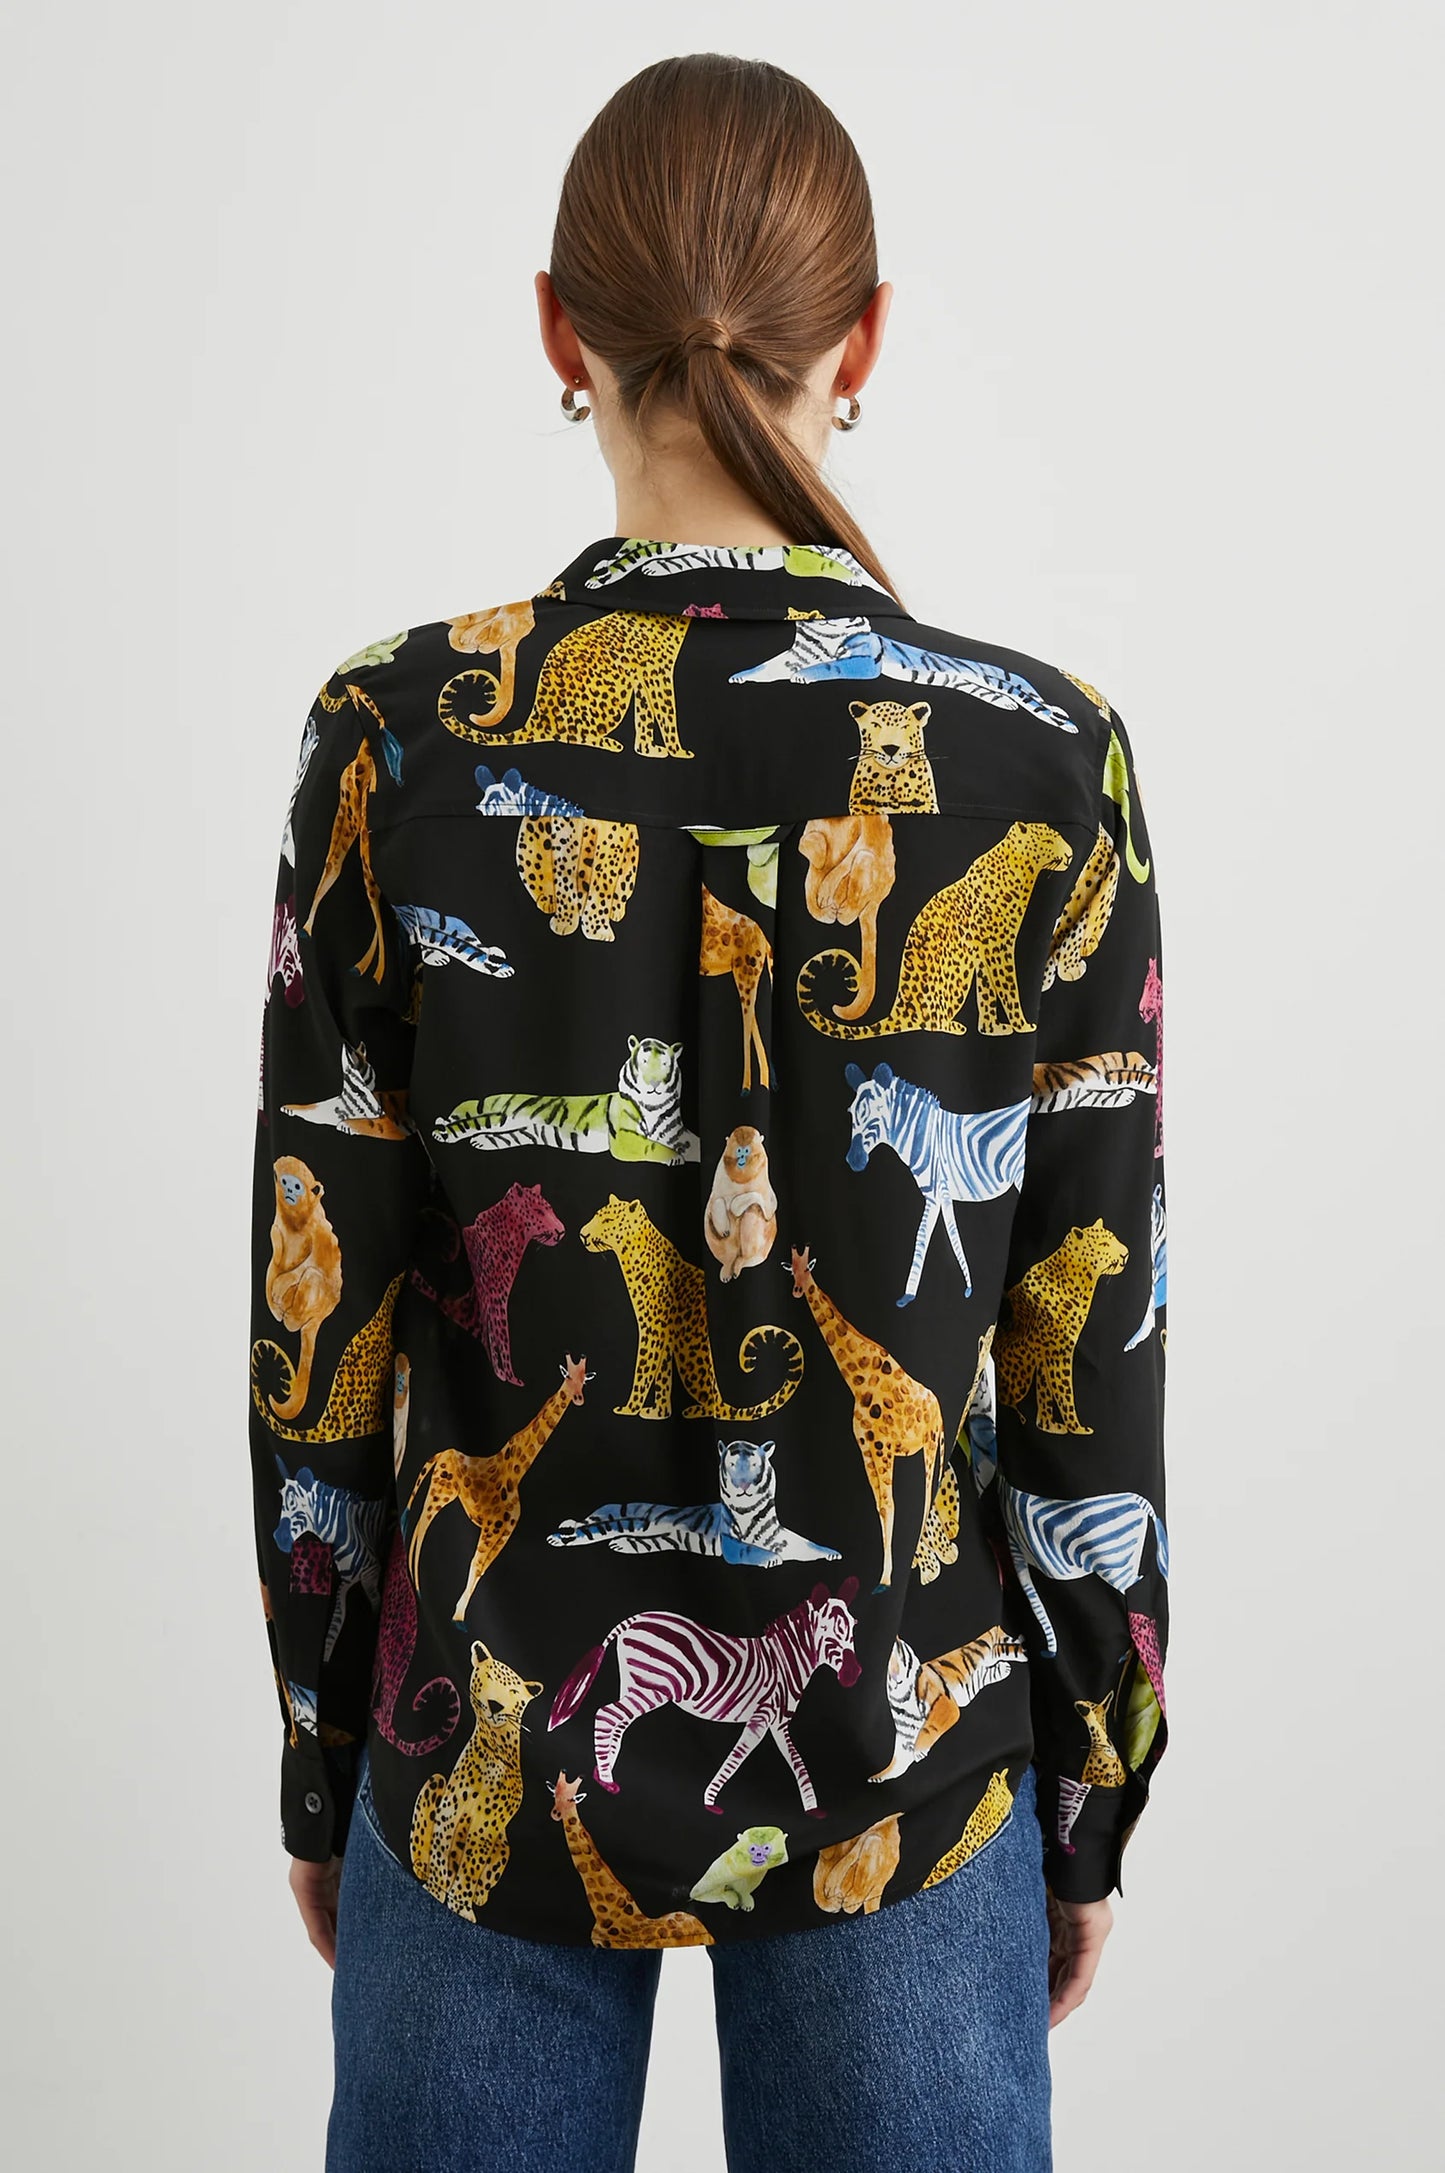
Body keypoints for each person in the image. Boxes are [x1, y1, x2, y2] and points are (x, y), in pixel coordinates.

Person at [248, 52, 1170, 2173]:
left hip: (480, 1754)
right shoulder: (1044, 761)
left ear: (557, 328)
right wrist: (1092, 1781)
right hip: (908, 1754)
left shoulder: (393, 742)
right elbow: (1086, 1346)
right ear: (864, 343)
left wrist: (323, 1744)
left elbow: (319, 1333)